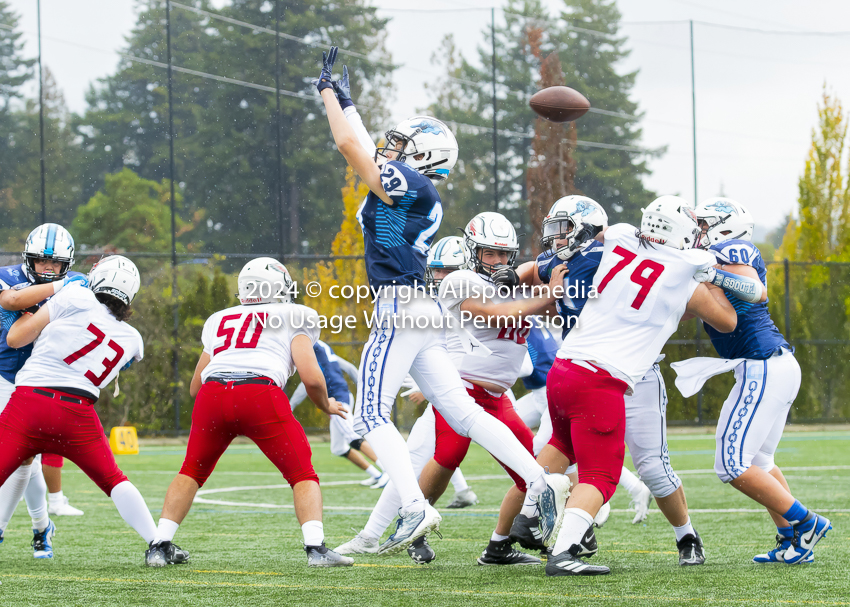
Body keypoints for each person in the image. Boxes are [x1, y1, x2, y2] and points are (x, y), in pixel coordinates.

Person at [316, 45, 570, 556]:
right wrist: (349, 102)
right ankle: (537, 481)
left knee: (367, 418)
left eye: (405, 144)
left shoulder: (406, 182)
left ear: (423, 156)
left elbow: (348, 146)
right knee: (460, 411)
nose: (393, 148)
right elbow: (362, 142)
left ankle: (413, 507)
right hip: (421, 306)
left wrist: (325, 95)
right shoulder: (415, 185)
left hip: (400, 304)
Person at [510, 196, 742, 576]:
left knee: (564, 447)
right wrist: (716, 276)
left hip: (567, 367)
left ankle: (530, 515)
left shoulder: (617, 237)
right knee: (602, 474)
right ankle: (564, 549)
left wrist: (507, 278)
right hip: (607, 376)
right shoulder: (688, 266)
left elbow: (560, 260)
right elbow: (729, 319)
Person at [147, 258, 351, 568]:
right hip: (259, 394)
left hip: (212, 395)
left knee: (191, 470)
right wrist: (326, 405)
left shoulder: (219, 319)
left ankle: (160, 546)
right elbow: (311, 377)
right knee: (301, 473)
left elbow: (195, 386)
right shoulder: (294, 314)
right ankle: (315, 548)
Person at [669, 197, 832, 565]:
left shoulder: (730, 249)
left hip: (762, 364)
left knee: (731, 463)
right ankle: (794, 541)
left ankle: (806, 522)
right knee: (760, 461)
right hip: (772, 364)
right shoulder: (712, 259)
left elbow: (755, 290)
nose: (699, 232)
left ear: (725, 226)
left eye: (705, 225)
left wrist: (711, 274)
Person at [0, 255, 169, 563]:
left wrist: (31, 314)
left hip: (30, 403)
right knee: (113, 479)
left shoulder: (76, 294)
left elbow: (15, 338)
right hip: (78, 413)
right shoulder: (134, 340)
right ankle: (158, 543)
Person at [0, 223, 87, 559]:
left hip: (40, 381)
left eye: (56, 265)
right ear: (28, 260)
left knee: (23, 458)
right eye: (41, 262)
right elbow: (13, 300)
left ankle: (13, 529)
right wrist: (62, 286)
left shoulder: (77, 286)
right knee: (26, 460)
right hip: (5, 375)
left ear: (67, 263)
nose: (48, 269)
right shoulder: (11, 278)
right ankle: (41, 528)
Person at [289, 340, 388, 488]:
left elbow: (307, 384)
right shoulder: (322, 348)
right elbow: (349, 367)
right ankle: (377, 474)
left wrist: (289, 406)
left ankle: (388, 471)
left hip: (337, 400)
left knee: (352, 436)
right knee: (338, 448)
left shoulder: (309, 347)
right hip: (342, 396)